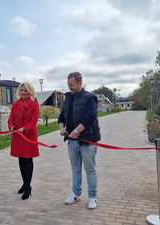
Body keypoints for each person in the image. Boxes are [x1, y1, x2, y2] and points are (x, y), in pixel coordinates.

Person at [58, 72, 100, 209]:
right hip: (72, 141)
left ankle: (92, 197)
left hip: (87, 140)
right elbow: (62, 116)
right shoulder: (68, 98)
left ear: (80, 82)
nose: (70, 87)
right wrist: (62, 127)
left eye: (72, 84)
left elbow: (90, 116)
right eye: (68, 84)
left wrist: (77, 131)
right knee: (75, 169)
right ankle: (75, 194)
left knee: (90, 169)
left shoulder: (90, 98)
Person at [8, 82, 40, 200]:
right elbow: (11, 118)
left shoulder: (34, 104)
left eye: (26, 90)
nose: (23, 92)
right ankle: (25, 183)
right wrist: (11, 126)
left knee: (28, 160)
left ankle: (27, 187)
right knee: (21, 160)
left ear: (30, 91)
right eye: (21, 90)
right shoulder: (16, 104)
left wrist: (24, 128)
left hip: (28, 136)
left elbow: (33, 121)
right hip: (17, 136)